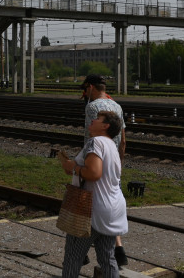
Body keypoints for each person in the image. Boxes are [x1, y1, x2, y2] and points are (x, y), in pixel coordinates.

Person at [60, 110, 128, 278]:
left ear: (105, 126)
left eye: (98, 119)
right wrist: (73, 166)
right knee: (107, 258)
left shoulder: (95, 142)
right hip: (114, 207)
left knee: (73, 257)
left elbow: (93, 173)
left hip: (92, 208)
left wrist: (73, 168)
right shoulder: (111, 145)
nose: (93, 120)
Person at [80, 74, 128, 267]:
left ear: (90, 87)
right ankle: (119, 248)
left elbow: (89, 136)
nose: (85, 94)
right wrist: (119, 162)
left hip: (97, 159)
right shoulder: (117, 106)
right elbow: (123, 140)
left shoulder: (92, 108)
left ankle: (81, 250)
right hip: (113, 159)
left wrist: (83, 164)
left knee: (84, 202)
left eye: (85, 90)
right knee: (111, 200)